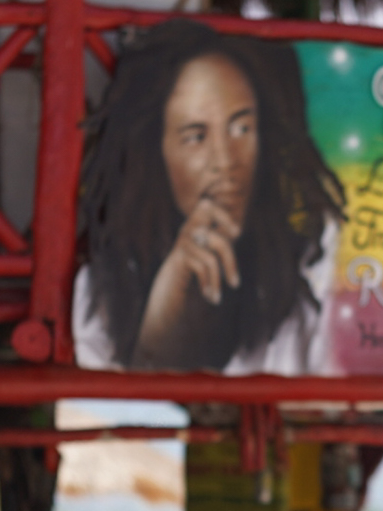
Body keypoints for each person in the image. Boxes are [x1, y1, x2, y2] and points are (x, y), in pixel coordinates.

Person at [75, 19, 346, 374]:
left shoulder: (316, 256)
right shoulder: (98, 289)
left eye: (242, 128)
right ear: (155, 153)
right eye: (195, 136)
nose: (225, 162)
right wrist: (159, 327)